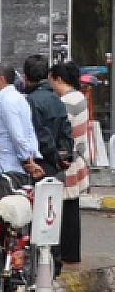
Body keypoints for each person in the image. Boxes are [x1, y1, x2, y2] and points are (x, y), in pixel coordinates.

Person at [49, 61, 89, 268]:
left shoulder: (65, 102)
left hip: (68, 160)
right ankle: (72, 253)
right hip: (78, 157)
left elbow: (63, 131)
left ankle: (66, 253)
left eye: (51, 80)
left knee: (65, 208)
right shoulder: (79, 97)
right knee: (71, 206)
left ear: (59, 79)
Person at [0, 63, 42, 178]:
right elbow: (30, 131)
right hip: (11, 166)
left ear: (1, 79)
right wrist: (31, 155)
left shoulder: (8, 101)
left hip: (6, 167)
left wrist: (27, 160)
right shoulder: (19, 98)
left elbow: (17, 135)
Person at [22, 54, 73, 182]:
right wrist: (64, 155)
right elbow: (66, 130)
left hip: (40, 164)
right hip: (57, 165)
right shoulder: (57, 99)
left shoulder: (31, 101)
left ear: (26, 77)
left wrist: (54, 157)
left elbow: (40, 133)